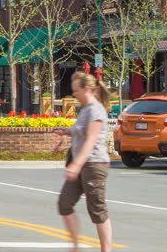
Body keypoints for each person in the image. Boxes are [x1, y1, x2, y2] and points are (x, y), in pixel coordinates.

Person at [54, 71, 113, 252]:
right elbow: (82, 132)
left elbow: (91, 140)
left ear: (86, 89)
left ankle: (106, 249)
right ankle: (76, 247)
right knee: (65, 203)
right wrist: (67, 131)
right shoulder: (86, 109)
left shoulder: (96, 110)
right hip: (80, 164)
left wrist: (76, 165)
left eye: (76, 91)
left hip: (94, 164)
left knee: (97, 209)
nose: (74, 94)